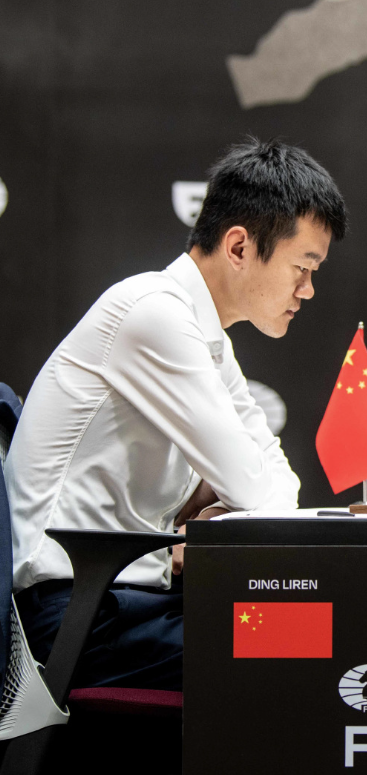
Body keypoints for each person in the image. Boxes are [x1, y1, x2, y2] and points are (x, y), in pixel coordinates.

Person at [5, 138, 348, 689]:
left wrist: (227, 511)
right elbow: (253, 487)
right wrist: (231, 507)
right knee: (312, 638)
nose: (307, 290)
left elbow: (279, 484)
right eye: (302, 267)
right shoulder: (154, 315)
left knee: (322, 629)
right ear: (239, 247)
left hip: (128, 601)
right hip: (73, 616)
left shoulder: (205, 335)